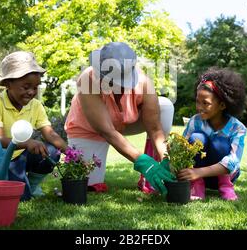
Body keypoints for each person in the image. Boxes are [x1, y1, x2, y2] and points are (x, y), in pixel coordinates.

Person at [64, 42, 176, 195]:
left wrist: (166, 159)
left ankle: (150, 174)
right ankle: (148, 165)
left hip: (125, 123)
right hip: (89, 130)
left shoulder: (143, 82)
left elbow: (155, 128)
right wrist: (141, 161)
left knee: (165, 106)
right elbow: (107, 131)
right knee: (86, 184)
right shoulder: (87, 80)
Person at [0, 51, 67, 201]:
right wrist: (27, 143)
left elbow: (50, 134)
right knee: (21, 197)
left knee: (52, 151)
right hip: (1, 160)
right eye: (26, 87)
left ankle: (33, 185)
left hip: (22, 155)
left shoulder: (35, 106)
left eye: (35, 87)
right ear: (9, 84)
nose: (31, 92)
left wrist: (73, 155)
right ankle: (21, 184)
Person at [178, 67, 247, 201]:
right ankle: (197, 186)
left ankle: (226, 186)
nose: (199, 107)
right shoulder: (195, 122)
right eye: (197, 101)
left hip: (222, 173)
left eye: (206, 103)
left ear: (222, 105)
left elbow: (233, 162)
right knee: (197, 138)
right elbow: (183, 148)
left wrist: (198, 172)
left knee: (220, 142)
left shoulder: (237, 128)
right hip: (196, 176)